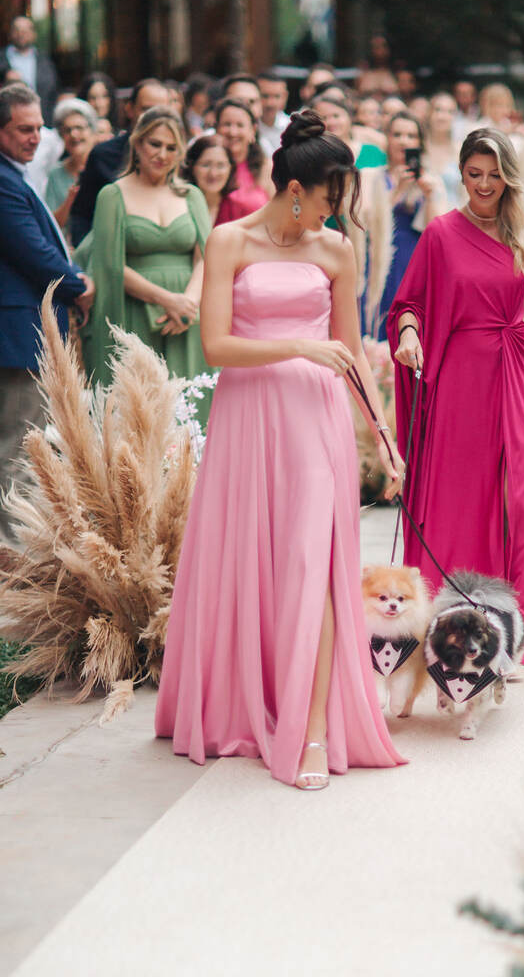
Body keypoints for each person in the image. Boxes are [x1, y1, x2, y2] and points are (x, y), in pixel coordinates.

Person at [154, 110, 406, 789]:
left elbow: (351, 353)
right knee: (254, 560)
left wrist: (384, 438)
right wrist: (297, 343)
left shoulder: (335, 251)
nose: (338, 209)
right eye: (331, 196)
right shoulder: (230, 240)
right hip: (248, 417)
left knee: (311, 564)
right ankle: (244, 705)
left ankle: (314, 729)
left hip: (315, 422)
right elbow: (215, 346)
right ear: (295, 189)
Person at [387, 127, 524, 670]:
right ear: (461, 173)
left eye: (494, 173)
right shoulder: (440, 234)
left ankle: (514, 638)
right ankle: (440, 630)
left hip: (512, 369)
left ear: (509, 175)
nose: (483, 184)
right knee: (454, 496)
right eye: (473, 173)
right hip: (456, 378)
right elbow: (409, 303)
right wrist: (409, 333)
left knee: (513, 501)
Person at [0, 83, 93, 545]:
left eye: (39, 128)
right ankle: (15, 556)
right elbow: (31, 252)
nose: (35, 137)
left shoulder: (15, 172)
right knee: (19, 447)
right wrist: (77, 284)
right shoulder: (2, 178)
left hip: (18, 329)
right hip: (15, 333)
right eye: (23, 129)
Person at [80, 107, 211, 417]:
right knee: (141, 414)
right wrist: (167, 300)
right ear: (137, 144)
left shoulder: (192, 195)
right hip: (135, 312)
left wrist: (188, 305)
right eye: (154, 144)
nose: (162, 154)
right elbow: (109, 264)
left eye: (171, 147)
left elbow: (207, 257)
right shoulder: (112, 195)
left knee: (191, 408)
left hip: (186, 319)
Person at [361, 111, 446, 340]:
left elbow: (436, 231)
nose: (403, 141)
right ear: (387, 138)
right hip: (378, 256)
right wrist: (396, 192)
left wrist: (428, 196)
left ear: (419, 142)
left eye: (411, 135)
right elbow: (366, 223)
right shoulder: (371, 176)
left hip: (414, 257)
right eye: (397, 134)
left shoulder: (431, 179)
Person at [69, 77, 169, 245]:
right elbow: (82, 215)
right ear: (130, 109)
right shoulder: (103, 155)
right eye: (146, 109)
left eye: (161, 111)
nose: (153, 117)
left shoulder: (178, 156)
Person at [45, 98, 98, 244]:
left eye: (79, 128)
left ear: (93, 131)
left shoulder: (104, 167)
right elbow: (52, 224)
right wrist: (70, 199)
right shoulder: (56, 173)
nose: (74, 135)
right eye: (67, 130)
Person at [214, 97, 271, 224]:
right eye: (226, 124)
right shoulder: (205, 166)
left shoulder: (266, 168)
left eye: (240, 125)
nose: (233, 132)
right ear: (216, 128)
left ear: (253, 130)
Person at [0, 16, 59, 126]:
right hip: (9, 123)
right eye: (17, 30)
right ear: (10, 33)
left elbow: (52, 93)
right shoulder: (2, 59)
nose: (21, 34)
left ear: (33, 34)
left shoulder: (45, 61)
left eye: (25, 31)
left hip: (42, 121)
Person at [312, 94, 386, 169]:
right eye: (324, 118)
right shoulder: (314, 157)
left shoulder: (372, 152)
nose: (331, 122)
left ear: (350, 117)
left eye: (336, 116)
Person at [180, 133, 231, 225]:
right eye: (206, 165)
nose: (213, 173)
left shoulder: (241, 210)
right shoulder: (179, 206)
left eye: (220, 165)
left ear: (231, 168)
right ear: (192, 166)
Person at [425, 91, 462, 209]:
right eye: (438, 110)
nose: (442, 116)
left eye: (450, 112)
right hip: (421, 221)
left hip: (454, 219)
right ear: (429, 113)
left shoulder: (462, 150)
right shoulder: (419, 148)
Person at [478, 84, 524, 153]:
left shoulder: (513, 124)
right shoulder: (480, 126)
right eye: (498, 105)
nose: (504, 110)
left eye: (507, 105)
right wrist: (503, 133)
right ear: (486, 105)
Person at [257, 70, 290, 153]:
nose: (270, 103)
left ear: (285, 97)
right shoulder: (246, 127)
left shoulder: (291, 126)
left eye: (276, 96)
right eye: (265, 96)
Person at [183, 72, 213, 137]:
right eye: (203, 93)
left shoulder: (210, 118)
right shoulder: (185, 117)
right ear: (194, 96)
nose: (207, 97)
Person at [452, 79, 480, 146]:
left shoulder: (482, 113)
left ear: (474, 96)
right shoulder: (451, 114)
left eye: (466, 93)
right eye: (459, 93)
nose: (463, 97)